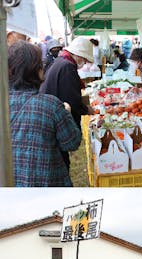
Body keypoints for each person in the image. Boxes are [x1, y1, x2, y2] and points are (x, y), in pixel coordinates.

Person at [8, 41, 81, 187]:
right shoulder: (51, 105)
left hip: (10, 186)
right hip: (47, 184)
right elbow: (72, 142)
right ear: (37, 70)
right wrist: (66, 112)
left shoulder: (4, 103)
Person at [39, 36, 93, 172]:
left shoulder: (61, 61)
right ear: (78, 55)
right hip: (55, 117)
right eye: (84, 58)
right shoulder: (67, 67)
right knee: (61, 162)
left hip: (49, 113)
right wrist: (86, 109)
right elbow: (72, 99)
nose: (84, 62)